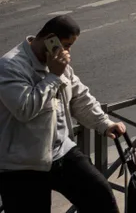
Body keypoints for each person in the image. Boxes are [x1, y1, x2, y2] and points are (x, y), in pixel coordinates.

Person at [0, 16, 126, 213]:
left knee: (100, 196)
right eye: (66, 45)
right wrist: (53, 76)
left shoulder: (60, 66)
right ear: (50, 39)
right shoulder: (10, 66)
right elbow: (25, 109)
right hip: (22, 166)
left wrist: (104, 123)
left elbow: (79, 97)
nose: (67, 52)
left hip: (61, 152)